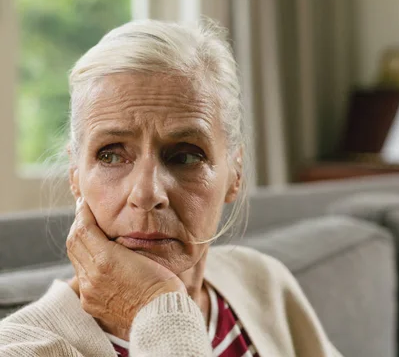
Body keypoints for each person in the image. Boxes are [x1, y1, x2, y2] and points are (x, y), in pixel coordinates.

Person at [0, 20, 341, 357]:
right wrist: (156, 304)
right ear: (75, 174)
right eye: (111, 155)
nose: (147, 194)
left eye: (185, 156)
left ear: (234, 173)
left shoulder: (262, 283)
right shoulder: (21, 349)